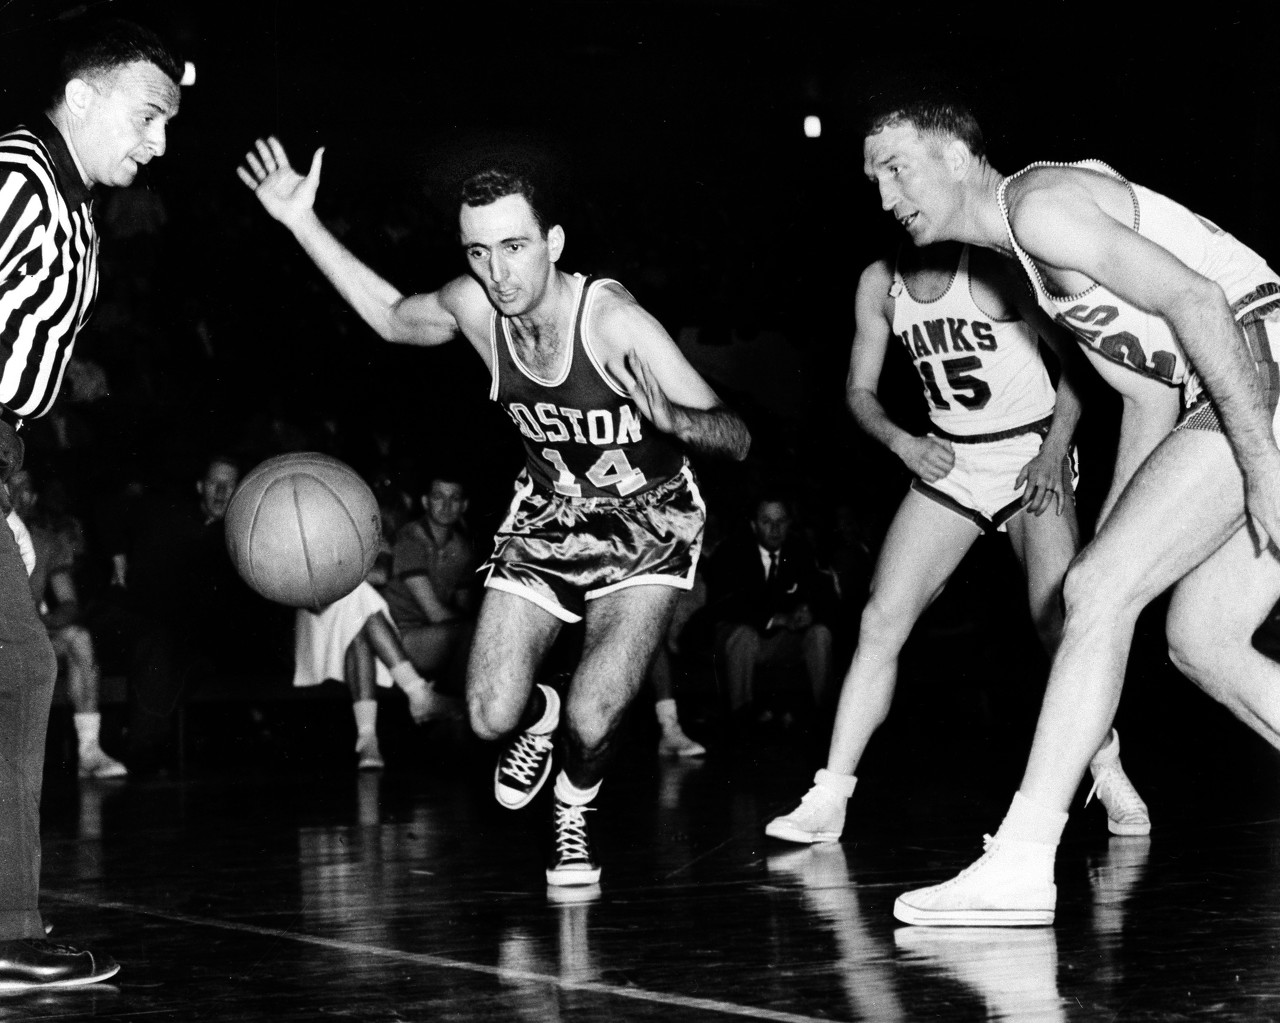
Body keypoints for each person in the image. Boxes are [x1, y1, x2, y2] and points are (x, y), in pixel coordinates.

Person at [238, 138, 750, 888]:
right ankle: (539, 714)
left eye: (514, 247)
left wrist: (673, 418)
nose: (498, 272)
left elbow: (736, 436)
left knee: (595, 718)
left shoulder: (614, 323)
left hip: (649, 518)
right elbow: (391, 316)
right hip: (550, 510)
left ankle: (573, 806)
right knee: (486, 715)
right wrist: (301, 222)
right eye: (479, 252)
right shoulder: (476, 306)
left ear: (554, 243)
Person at [859, 98, 1280, 927]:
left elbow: (1200, 301)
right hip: (1236, 383)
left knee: (1099, 590)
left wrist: (1262, 464)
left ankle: (1021, 863)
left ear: (954, 157)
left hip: (1259, 366)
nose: (884, 196)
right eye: (873, 179)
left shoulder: (1039, 205)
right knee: (1201, 636)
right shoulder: (1028, 261)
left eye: (896, 168)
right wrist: (1110, 549)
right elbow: (1148, 395)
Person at [765, 241, 1150, 846]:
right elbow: (859, 391)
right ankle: (828, 797)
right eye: (884, 195)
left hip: (1027, 453)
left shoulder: (993, 270)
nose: (895, 202)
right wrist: (902, 443)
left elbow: (1077, 361)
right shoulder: (879, 280)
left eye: (904, 190)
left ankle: (1107, 768)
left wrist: (1055, 451)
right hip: (950, 459)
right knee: (879, 619)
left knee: (1057, 622)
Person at [0, 16, 180, 988]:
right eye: (148, 115)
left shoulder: (72, 204)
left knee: (21, 668)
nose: (159, 141)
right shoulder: (18, 176)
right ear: (81, 95)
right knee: (20, 668)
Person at [10, 468, 128, 779]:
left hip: (28, 641)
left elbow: (69, 602)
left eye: (23, 487)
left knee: (79, 638)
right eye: (8, 485)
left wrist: (42, 621)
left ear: (33, 497)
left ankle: (89, 752)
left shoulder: (44, 540)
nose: (15, 494)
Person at [293, 579, 459, 770]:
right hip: (315, 624)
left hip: (351, 618)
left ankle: (367, 740)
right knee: (356, 593)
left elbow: (381, 573)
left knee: (356, 615)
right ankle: (418, 694)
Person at [709, 494, 838, 728]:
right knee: (743, 637)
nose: (775, 529)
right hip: (738, 638)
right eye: (767, 521)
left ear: (789, 523)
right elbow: (727, 606)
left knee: (820, 634)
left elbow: (822, 595)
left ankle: (826, 718)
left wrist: (808, 612)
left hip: (780, 640)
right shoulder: (731, 551)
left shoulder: (800, 549)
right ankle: (741, 719)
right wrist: (776, 618)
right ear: (754, 525)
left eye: (781, 521)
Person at [381, 471, 478, 696]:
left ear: (464, 506)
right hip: (399, 636)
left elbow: (463, 606)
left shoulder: (462, 549)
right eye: (438, 497)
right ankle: (453, 705)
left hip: (434, 634)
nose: (446, 506)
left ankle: (453, 704)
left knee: (476, 633)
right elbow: (434, 613)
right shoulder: (410, 539)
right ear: (425, 502)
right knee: (470, 633)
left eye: (454, 498)